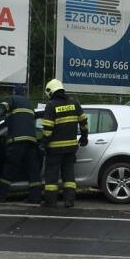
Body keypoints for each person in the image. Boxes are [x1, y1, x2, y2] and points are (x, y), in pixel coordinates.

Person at [0, 84, 42, 204]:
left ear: (13, 92)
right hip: (31, 142)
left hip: (17, 142)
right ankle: (35, 197)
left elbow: (2, 108)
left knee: (9, 169)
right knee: (33, 171)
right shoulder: (29, 104)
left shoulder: (12, 99)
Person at [39, 79, 88, 208]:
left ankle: (50, 201)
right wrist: (84, 137)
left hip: (55, 149)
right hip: (71, 148)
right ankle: (69, 201)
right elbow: (83, 122)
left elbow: (48, 129)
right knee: (69, 175)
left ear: (51, 91)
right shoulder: (75, 103)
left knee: (52, 176)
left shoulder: (51, 106)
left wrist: (44, 143)